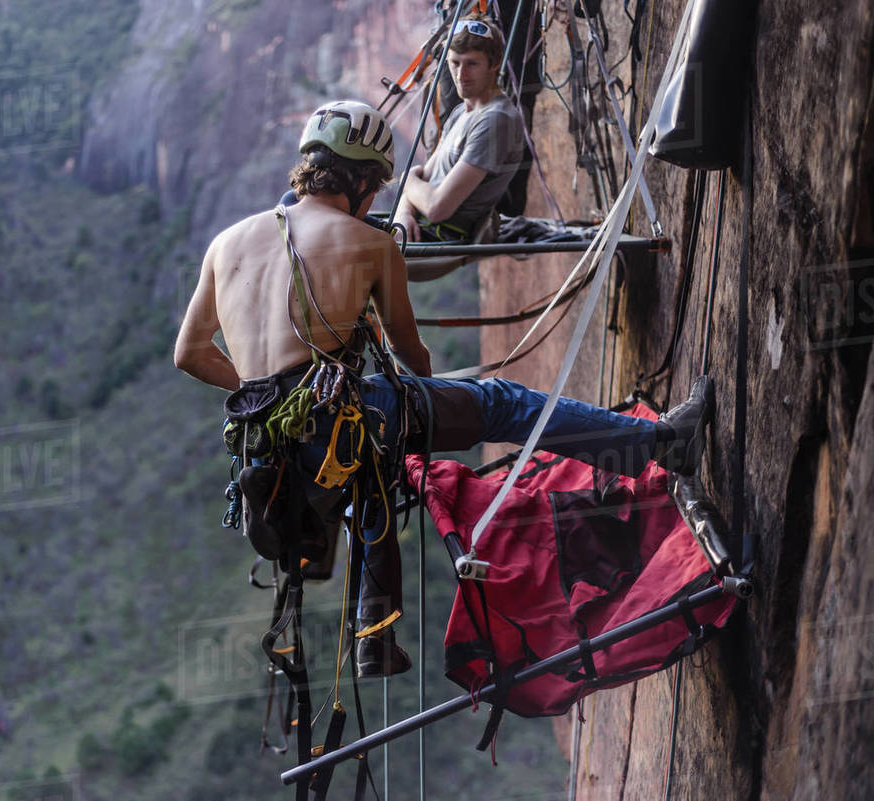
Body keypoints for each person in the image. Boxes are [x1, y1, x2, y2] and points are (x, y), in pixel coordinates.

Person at [174, 100, 712, 677]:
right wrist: (428, 404)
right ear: (359, 178)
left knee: (367, 474)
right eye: (375, 186)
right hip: (344, 421)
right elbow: (410, 354)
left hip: (269, 449)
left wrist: (269, 391)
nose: (375, 198)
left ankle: (373, 638)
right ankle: (658, 445)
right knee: (499, 402)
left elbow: (191, 354)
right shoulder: (369, 243)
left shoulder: (225, 243)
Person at [394, 16, 525, 241]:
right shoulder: (460, 114)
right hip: (415, 228)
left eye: (472, 64)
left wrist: (406, 178)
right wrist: (403, 212)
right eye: (455, 63)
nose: (460, 75)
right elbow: (424, 178)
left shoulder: (495, 120)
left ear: (494, 64)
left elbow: (437, 208)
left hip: (439, 238)